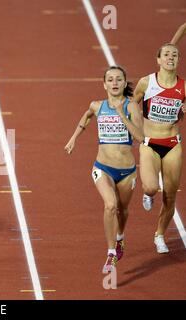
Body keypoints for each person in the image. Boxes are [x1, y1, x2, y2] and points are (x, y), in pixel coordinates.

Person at [65, 66, 144, 273]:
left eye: (119, 79)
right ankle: (111, 254)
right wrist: (74, 138)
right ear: (104, 84)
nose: (115, 83)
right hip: (103, 167)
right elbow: (87, 115)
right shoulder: (97, 105)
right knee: (110, 205)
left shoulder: (132, 106)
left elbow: (140, 137)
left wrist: (122, 115)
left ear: (125, 83)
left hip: (127, 170)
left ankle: (120, 238)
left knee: (122, 210)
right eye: (110, 80)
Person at [133, 43, 185, 254]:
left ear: (178, 60)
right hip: (150, 143)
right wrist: (137, 129)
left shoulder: (184, 86)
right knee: (151, 188)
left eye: (175, 55)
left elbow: (181, 114)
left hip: (172, 144)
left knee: (170, 196)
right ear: (159, 60)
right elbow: (131, 105)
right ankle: (147, 191)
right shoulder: (146, 83)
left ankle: (160, 235)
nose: (171, 58)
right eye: (166, 54)